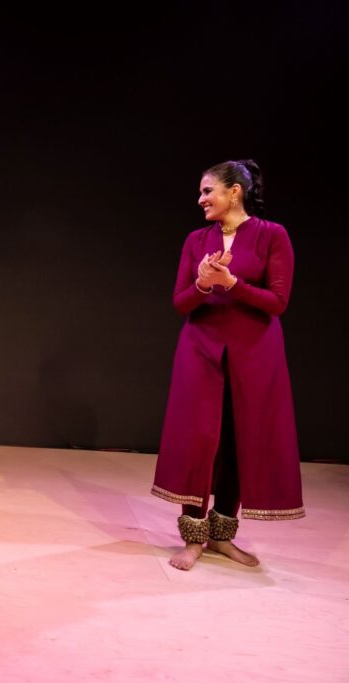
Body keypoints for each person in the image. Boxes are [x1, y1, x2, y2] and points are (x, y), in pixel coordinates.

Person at [152, 159, 304, 571]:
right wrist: (203, 284)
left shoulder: (273, 236)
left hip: (254, 351)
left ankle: (222, 536)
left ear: (234, 191)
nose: (200, 199)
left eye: (207, 191)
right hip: (201, 348)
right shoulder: (195, 240)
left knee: (240, 438)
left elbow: (278, 302)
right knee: (199, 438)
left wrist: (232, 285)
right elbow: (181, 302)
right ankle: (193, 537)